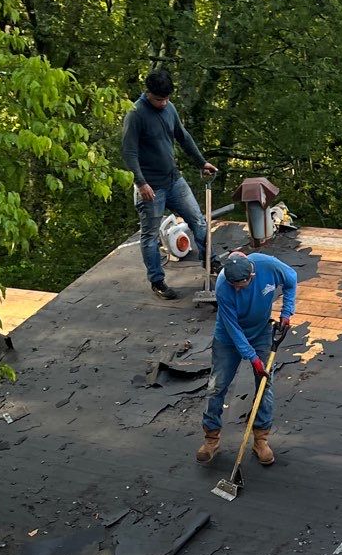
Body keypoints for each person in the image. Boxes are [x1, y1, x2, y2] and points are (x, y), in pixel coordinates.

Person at [121, 70, 217, 300]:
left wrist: (201, 163)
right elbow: (129, 152)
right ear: (147, 93)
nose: (163, 104)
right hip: (150, 187)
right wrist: (141, 182)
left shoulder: (169, 108)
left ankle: (211, 262)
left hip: (174, 180)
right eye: (158, 100)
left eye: (166, 99)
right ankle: (158, 281)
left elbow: (182, 137)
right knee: (150, 235)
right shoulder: (136, 114)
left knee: (198, 220)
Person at [198, 250, 298, 466]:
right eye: (233, 284)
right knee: (217, 387)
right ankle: (211, 439)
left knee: (264, 384)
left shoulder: (268, 264)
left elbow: (292, 280)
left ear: (251, 276)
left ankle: (261, 440)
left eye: (240, 285)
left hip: (261, 332)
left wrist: (287, 313)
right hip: (228, 338)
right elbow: (232, 329)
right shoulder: (224, 285)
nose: (236, 288)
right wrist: (252, 358)